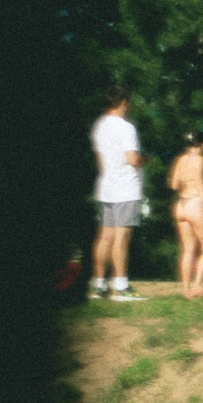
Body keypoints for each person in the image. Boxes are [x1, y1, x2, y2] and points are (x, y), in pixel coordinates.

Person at [91, 91, 144, 300]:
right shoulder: (126, 127)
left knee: (105, 237)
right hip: (126, 188)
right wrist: (145, 160)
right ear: (123, 102)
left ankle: (99, 285)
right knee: (122, 239)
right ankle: (121, 286)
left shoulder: (100, 126)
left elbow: (102, 161)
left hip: (107, 187)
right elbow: (132, 159)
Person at [166, 130, 203, 299]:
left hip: (181, 204)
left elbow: (174, 185)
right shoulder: (199, 160)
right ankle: (197, 285)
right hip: (195, 203)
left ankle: (186, 289)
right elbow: (201, 185)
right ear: (201, 144)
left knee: (188, 249)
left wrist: (185, 185)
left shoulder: (180, 160)